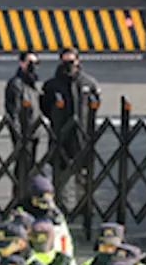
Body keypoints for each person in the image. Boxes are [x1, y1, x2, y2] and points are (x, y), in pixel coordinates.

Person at [40, 48, 101, 211]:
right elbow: (45, 106)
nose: (68, 65)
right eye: (65, 61)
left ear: (78, 61)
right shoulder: (52, 85)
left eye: (71, 61)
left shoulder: (88, 83)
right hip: (61, 136)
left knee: (83, 174)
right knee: (60, 175)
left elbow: (95, 105)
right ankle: (62, 208)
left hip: (82, 137)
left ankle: (84, 207)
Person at [5, 51, 43, 183]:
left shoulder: (33, 83)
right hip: (24, 135)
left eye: (36, 63)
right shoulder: (16, 84)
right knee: (22, 171)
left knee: (30, 171)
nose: (33, 66)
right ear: (21, 63)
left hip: (34, 134)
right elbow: (13, 113)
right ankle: (19, 199)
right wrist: (18, 137)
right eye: (30, 63)